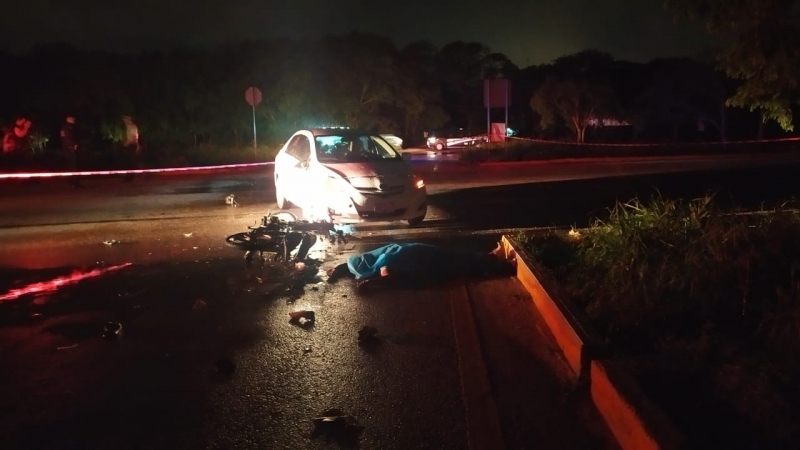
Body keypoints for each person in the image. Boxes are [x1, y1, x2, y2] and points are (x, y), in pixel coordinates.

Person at [327, 242, 516, 291]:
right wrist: (372, 283)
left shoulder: (370, 262)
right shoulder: (382, 260)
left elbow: (348, 265)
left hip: (422, 257)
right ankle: (499, 265)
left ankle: (493, 259)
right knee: (459, 262)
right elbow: (387, 275)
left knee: (459, 261)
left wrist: (337, 271)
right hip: (424, 259)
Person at [60, 116, 81, 187]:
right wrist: (72, 146)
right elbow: (67, 139)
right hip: (70, 149)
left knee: (72, 166)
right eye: (72, 119)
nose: (73, 120)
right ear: (68, 119)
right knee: (73, 166)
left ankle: (73, 182)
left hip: (68, 149)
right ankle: (74, 183)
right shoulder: (67, 128)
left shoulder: (66, 127)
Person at [121, 116, 140, 181]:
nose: (124, 121)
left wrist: (127, 143)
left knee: (130, 162)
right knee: (128, 162)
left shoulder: (132, 127)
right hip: (130, 145)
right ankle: (128, 177)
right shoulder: (128, 127)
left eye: (125, 120)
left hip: (131, 145)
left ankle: (130, 178)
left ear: (129, 120)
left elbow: (134, 137)